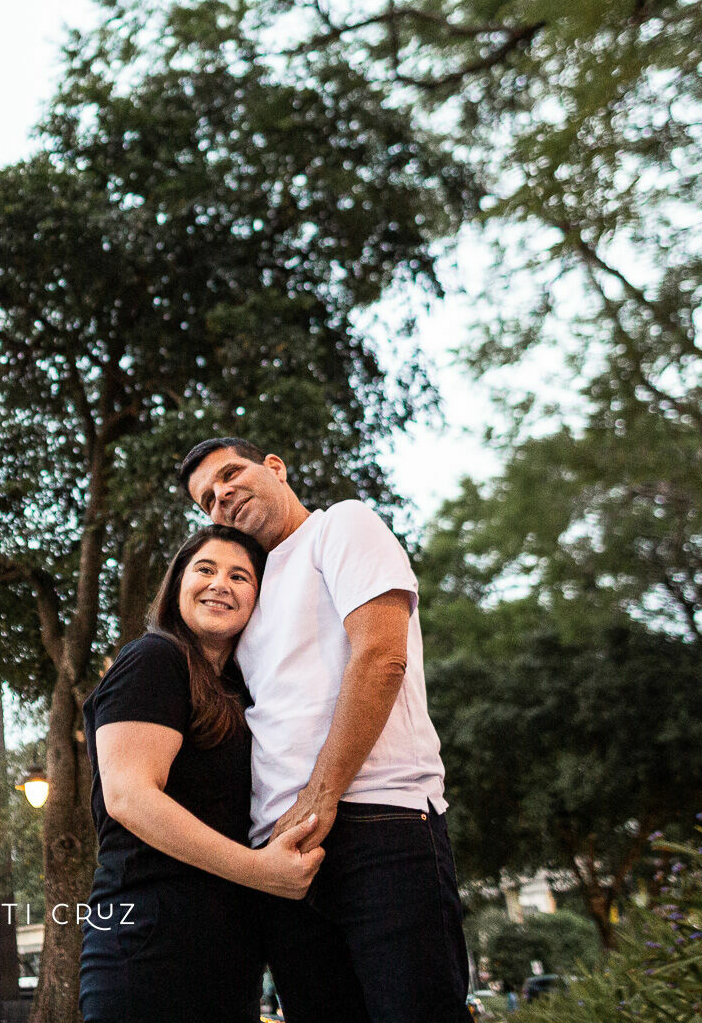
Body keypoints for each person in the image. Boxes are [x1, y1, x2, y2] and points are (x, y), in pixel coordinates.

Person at [180, 436, 472, 1023]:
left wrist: (321, 795)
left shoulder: (341, 525)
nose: (222, 496)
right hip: (283, 858)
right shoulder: (247, 594)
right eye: (207, 498)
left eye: (230, 474)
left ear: (275, 467)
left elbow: (381, 657)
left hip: (377, 820)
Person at [79, 524, 324, 1023]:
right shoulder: (154, 658)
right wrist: (263, 871)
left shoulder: (238, 689)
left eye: (241, 576)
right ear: (177, 584)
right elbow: (127, 796)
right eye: (205, 569)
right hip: (147, 938)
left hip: (227, 951)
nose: (221, 584)